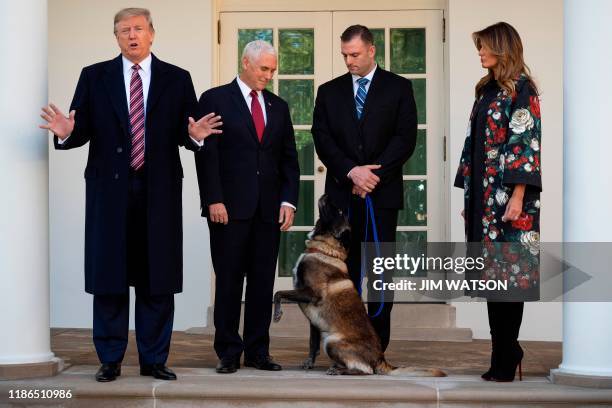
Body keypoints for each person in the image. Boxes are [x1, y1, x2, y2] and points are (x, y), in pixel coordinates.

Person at [39, 8, 221, 382]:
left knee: (157, 277)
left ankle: (154, 359)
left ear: (152, 33)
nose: (131, 35)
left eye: (138, 29)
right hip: (110, 192)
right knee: (110, 277)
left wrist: (196, 137)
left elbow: (186, 132)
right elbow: (80, 128)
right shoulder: (95, 76)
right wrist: (65, 132)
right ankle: (110, 359)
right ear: (116, 37)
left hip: (159, 192)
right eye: (124, 31)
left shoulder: (177, 78)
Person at [195, 40, 300, 374]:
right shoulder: (214, 99)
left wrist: (288, 201)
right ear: (245, 63)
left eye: (272, 69)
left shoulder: (279, 106)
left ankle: (258, 351)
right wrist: (214, 198)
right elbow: (206, 154)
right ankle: (228, 351)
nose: (268, 75)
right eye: (263, 68)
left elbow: (289, 160)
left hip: (268, 211)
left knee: (261, 283)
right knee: (228, 281)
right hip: (227, 209)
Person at [311, 25, 417, 352]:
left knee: (380, 273)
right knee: (345, 275)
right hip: (343, 199)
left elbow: (405, 138)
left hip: (381, 198)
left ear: (371, 50)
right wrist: (351, 172)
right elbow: (322, 138)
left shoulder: (399, 88)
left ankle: (376, 346)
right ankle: (345, 345)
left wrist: (373, 175)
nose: (349, 61)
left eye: (354, 54)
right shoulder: (329, 92)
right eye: (345, 55)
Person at [454, 22, 542, 382]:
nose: (479, 52)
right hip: (484, 198)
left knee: (511, 277)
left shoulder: (523, 89)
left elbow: (525, 142)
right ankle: (501, 352)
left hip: (510, 200)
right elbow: (472, 142)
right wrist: (469, 194)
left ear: (502, 48)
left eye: (484, 46)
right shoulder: (486, 89)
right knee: (493, 279)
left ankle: (508, 353)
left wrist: (519, 195)